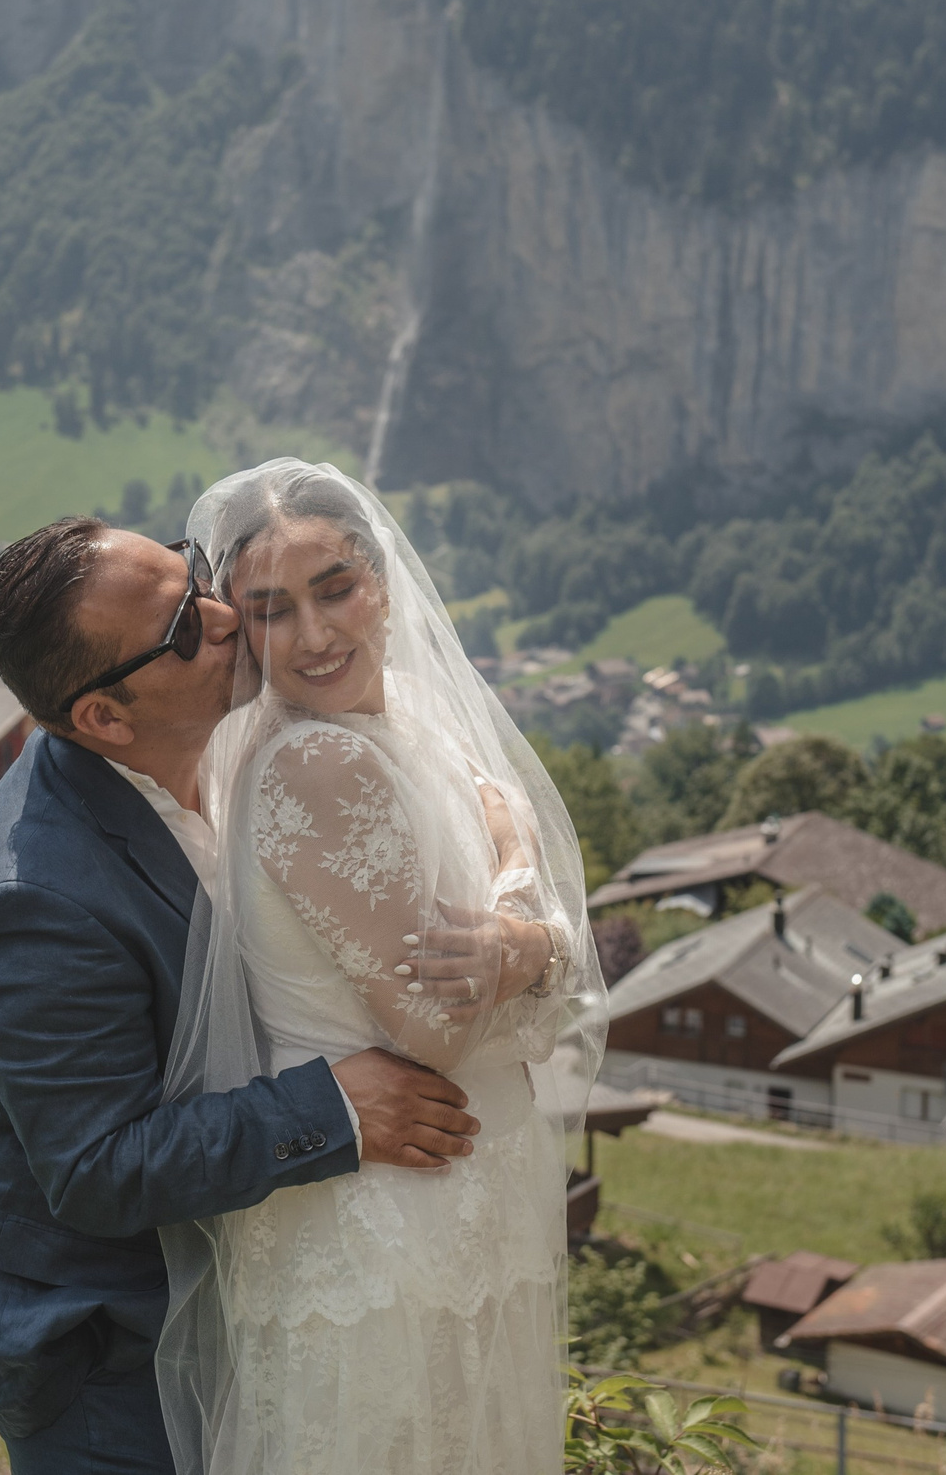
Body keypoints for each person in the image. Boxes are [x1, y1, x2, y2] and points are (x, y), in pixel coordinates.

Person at [0, 518, 490, 1474]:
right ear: (104, 716)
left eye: (193, 577)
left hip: (235, 1277)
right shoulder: (30, 906)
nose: (231, 616)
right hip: (103, 1349)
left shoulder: (208, 745)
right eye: (187, 626)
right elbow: (99, 1167)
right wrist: (336, 1108)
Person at [156, 459, 605, 1475]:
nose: (315, 635)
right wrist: (521, 882)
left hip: (441, 1203)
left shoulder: (399, 715)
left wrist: (515, 935)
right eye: (271, 610)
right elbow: (434, 1025)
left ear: (385, 583)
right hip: (389, 1222)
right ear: (240, 628)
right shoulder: (320, 763)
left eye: (336, 588)